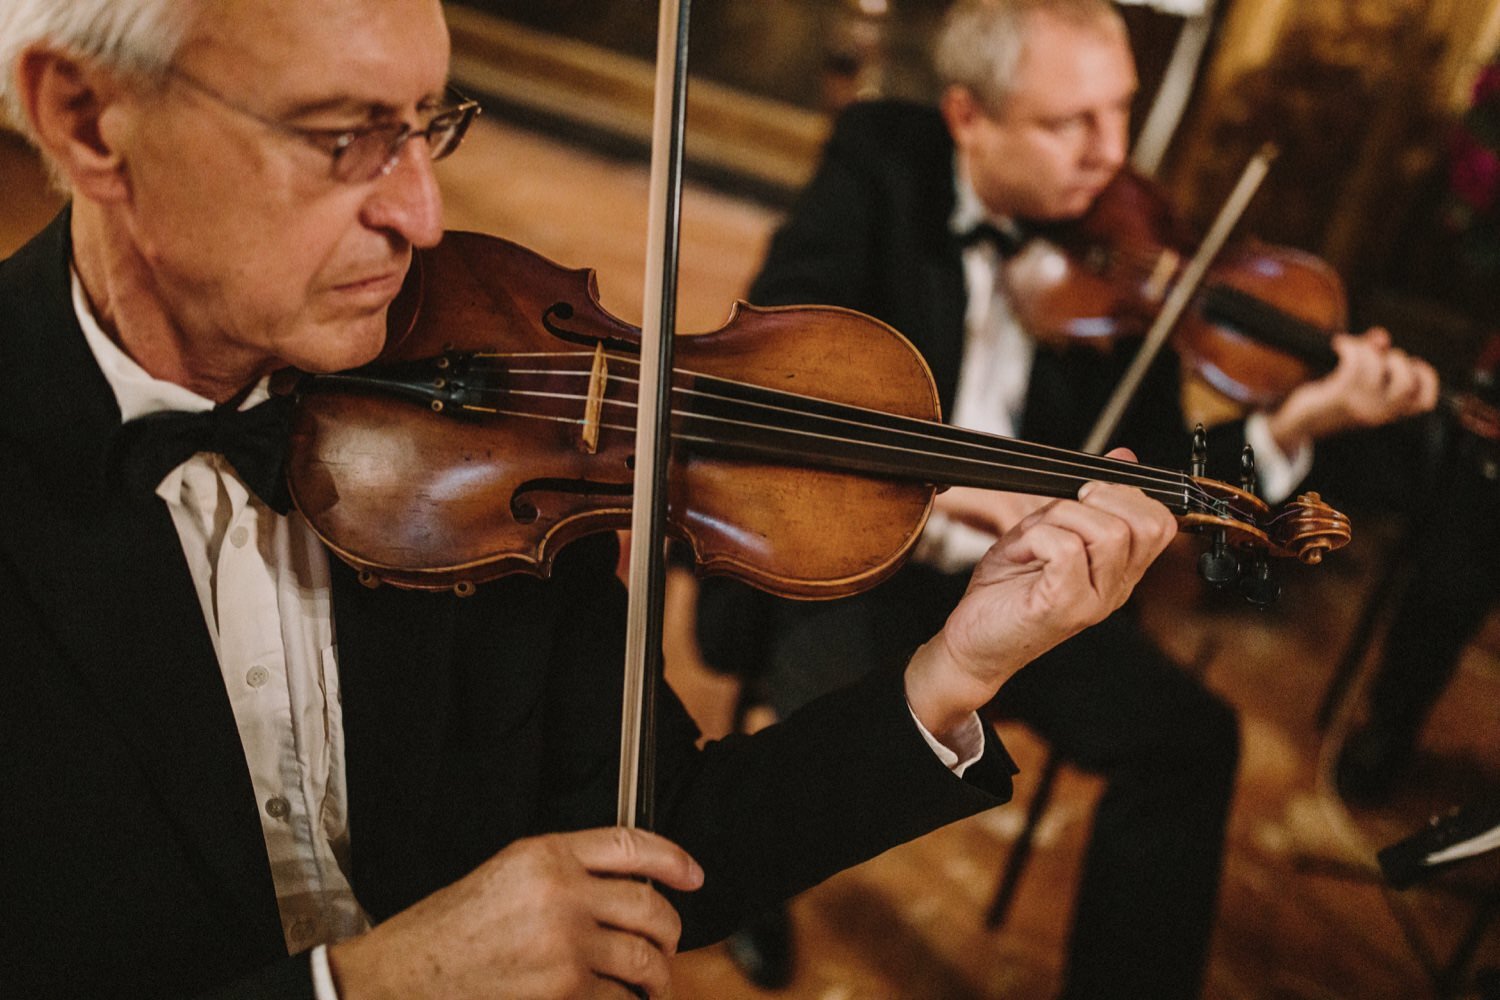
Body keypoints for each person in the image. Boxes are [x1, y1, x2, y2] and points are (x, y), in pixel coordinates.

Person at [0, 1, 1192, 999]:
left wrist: (957, 672)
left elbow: (659, 838)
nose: (422, 217)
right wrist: (362, 987)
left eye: (427, 129)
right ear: (90, 119)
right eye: (342, 139)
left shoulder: (504, 421)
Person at [692, 1, 1441, 997]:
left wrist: (1300, 423)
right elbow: (774, 389)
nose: (1113, 155)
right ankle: (745, 883)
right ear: (969, 117)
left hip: (1030, 587)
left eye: (1121, 112)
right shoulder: (877, 163)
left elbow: (1171, 466)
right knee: (840, 746)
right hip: (862, 568)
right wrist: (963, 489)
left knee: (1193, 740)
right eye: (1069, 124)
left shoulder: (1120, 240)